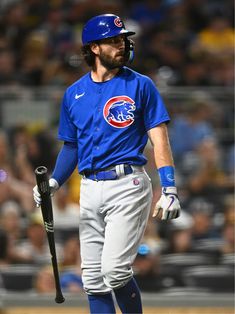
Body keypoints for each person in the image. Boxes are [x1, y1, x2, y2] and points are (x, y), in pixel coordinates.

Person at [33, 13, 181, 314]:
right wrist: (54, 182)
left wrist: (169, 187)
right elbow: (72, 147)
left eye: (123, 39)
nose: (122, 45)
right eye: (113, 40)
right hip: (89, 188)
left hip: (128, 184)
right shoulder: (73, 93)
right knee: (93, 281)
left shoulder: (141, 85)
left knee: (114, 272)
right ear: (94, 48)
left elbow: (160, 140)